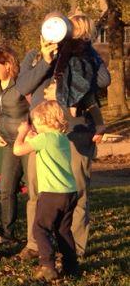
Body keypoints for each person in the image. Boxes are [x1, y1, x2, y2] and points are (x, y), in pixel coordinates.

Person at [16, 13, 110, 259]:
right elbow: (23, 87)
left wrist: (84, 54)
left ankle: (75, 248)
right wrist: (46, 62)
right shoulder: (34, 56)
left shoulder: (82, 55)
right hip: (42, 131)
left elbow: (104, 79)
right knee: (36, 190)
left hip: (76, 131)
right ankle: (35, 244)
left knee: (78, 190)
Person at [13, 101, 78, 281]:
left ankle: (48, 265)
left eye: (36, 121)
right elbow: (41, 143)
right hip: (70, 192)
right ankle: (71, 265)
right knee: (63, 230)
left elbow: (18, 150)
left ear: (43, 120)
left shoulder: (44, 139)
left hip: (52, 193)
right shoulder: (62, 138)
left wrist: (22, 132)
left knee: (40, 229)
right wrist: (33, 135)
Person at [0, 46, 31, 247]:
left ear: (8, 65)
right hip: (8, 143)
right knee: (6, 188)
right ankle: (7, 234)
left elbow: (35, 107)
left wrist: (31, 131)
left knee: (35, 191)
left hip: (28, 142)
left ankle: (37, 238)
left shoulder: (22, 83)